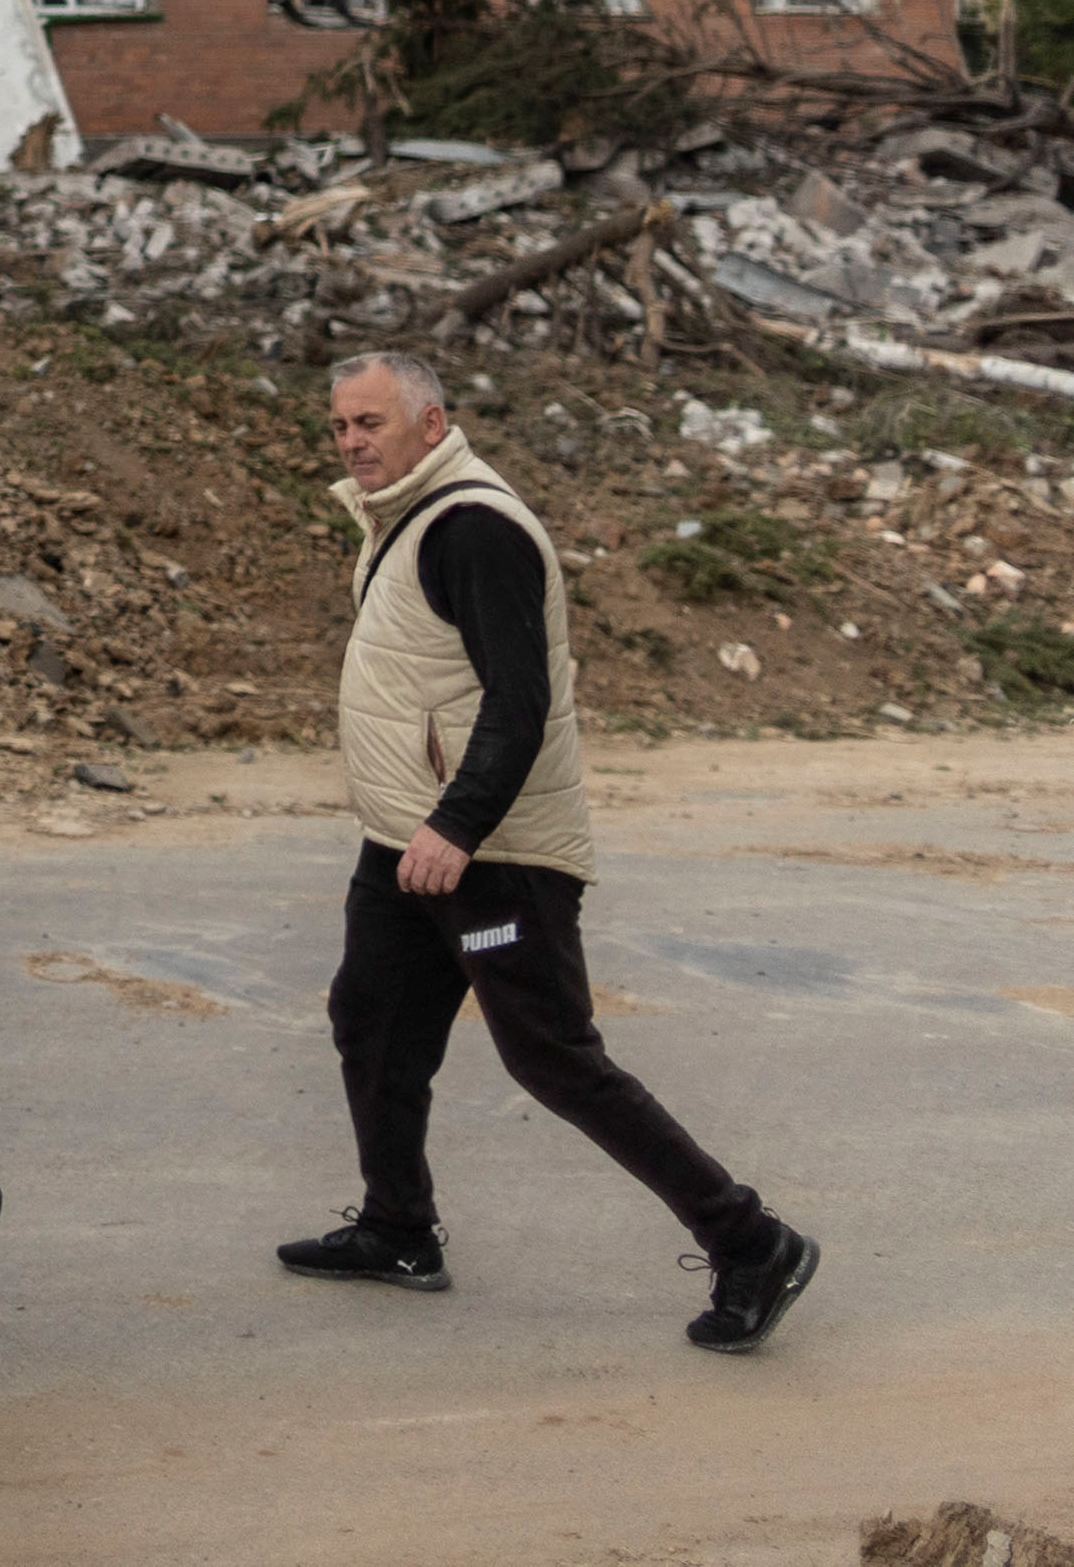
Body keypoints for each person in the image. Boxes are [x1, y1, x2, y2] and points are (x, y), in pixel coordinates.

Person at [281, 348, 817, 1350]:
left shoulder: (472, 528)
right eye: (339, 426)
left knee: (552, 1058)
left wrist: (457, 824)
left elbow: (519, 702)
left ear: (429, 425)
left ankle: (749, 1242)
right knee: (372, 1019)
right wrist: (420, 825)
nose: (352, 441)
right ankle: (396, 1227)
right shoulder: (406, 518)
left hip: (488, 847)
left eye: (370, 423)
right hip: (403, 838)